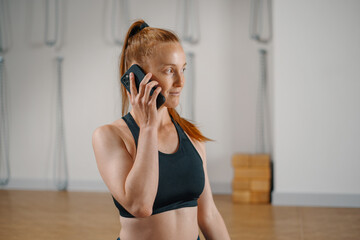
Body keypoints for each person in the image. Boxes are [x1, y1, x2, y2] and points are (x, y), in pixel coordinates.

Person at [92, 19, 231, 240]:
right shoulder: (109, 136)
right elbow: (140, 206)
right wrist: (148, 127)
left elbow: (209, 215)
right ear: (135, 76)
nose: (180, 81)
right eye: (169, 71)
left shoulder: (191, 136)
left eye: (183, 69)